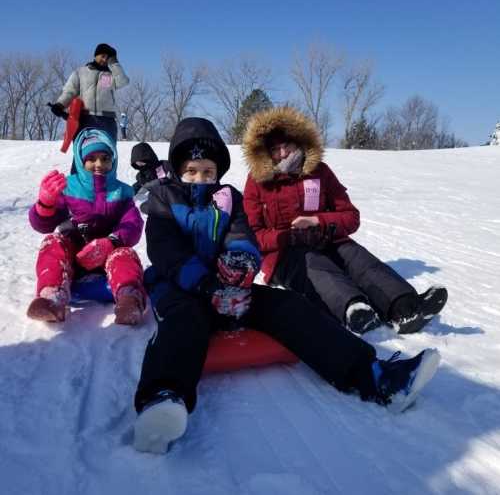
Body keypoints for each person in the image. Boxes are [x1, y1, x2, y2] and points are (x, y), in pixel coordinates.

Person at [132, 116, 441, 454]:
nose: (201, 178)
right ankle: (161, 400)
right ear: (178, 169)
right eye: (192, 170)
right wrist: (207, 285)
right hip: (180, 286)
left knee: (288, 305)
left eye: (208, 171)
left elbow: (242, 238)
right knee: (185, 321)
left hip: (225, 287)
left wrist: (241, 266)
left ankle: (375, 376)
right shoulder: (163, 199)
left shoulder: (228, 197)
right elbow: (166, 252)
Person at [242, 107, 448, 335]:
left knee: (358, 259)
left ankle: (405, 307)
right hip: (284, 255)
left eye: (287, 146)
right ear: (264, 153)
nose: (282, 153)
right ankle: (354, 310)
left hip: (326, 238)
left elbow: (351, 217)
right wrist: (289, 236)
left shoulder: (320, 172)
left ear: (299, 142)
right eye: (275, 149)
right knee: (315, 266)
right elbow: (252, 236)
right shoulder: (257, 182)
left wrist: (317, 221)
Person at [27, 128, 146, 326]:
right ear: (81, 161)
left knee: (126, 254)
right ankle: (52, 296)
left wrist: (112, 242)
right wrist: (46, 204)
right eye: (92, 158)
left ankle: (129, 299)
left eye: (105, 158)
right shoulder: (68, 187)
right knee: (52, 242)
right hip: (72, 258)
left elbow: (132, 223)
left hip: (109, 256)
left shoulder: (122, 192)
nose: (99, 164)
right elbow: (43, 225)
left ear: (113, 160)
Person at [49, 43, 129, 149]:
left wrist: (114, 62)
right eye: (103, 56)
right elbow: (70, 91)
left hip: (107, 120)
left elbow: (123, 82)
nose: (105, 60)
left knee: (107, 153)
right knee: (83, 153)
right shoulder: (81, 72)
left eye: (108, 58)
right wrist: (60, 105)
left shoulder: (110, 75)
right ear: (96, 55)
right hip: (85, 120)